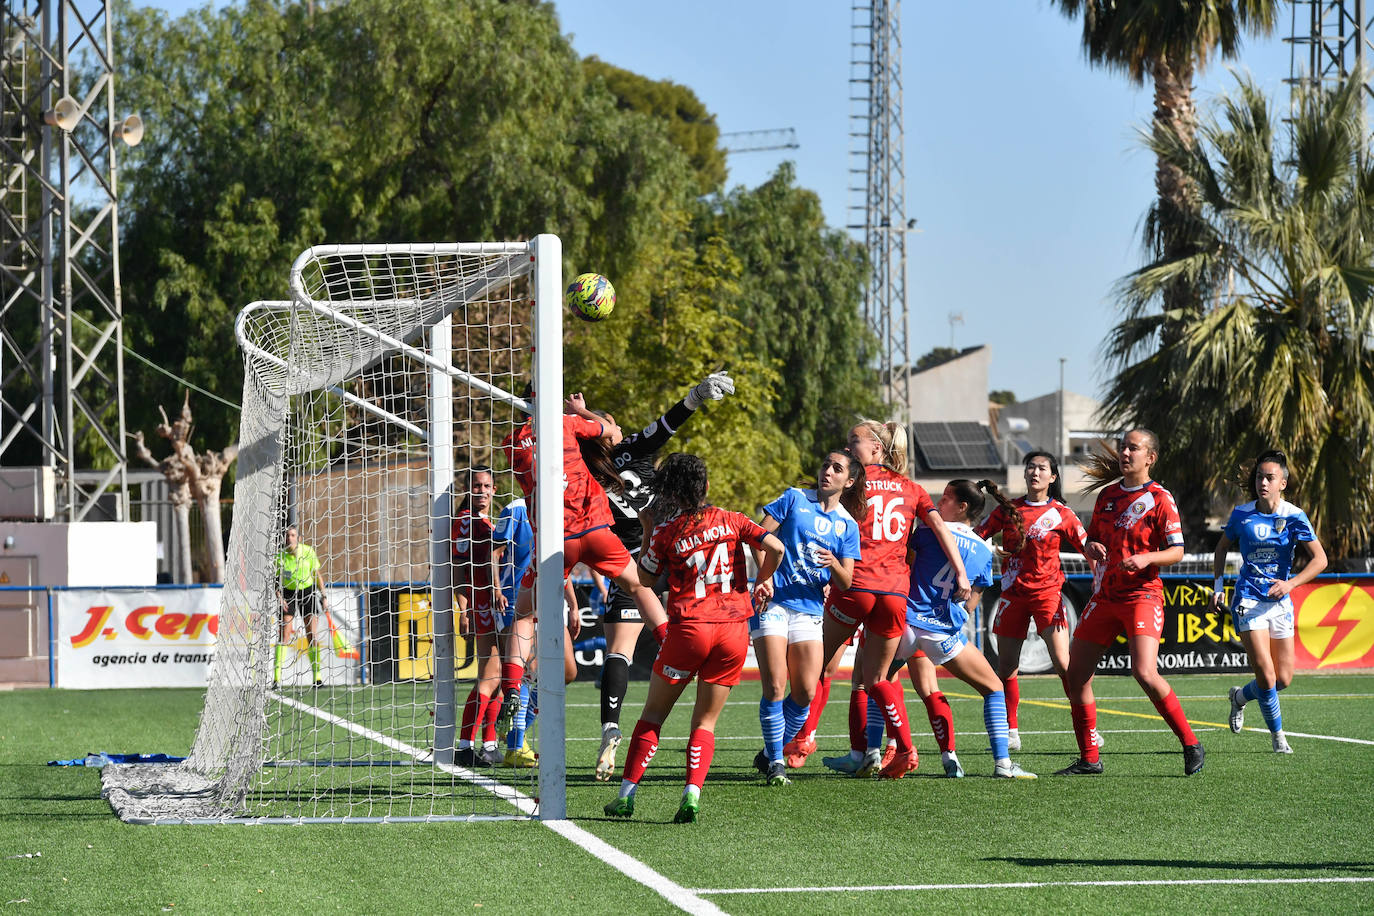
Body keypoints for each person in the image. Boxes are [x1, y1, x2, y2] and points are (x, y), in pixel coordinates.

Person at [603, 453, 784, 823]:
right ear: (704, 486)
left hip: (690, 629)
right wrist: (762, 580)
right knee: (705, 722)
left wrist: (649, 528)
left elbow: (646, 580)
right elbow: (776, 548)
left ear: (670, 490)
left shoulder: (668, 530)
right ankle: (692, 795)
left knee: (653, 715)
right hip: (733, 631)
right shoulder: (733, 520)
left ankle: (625, 796)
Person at [573, 371, 736, 781]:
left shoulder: (581, 471)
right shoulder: (630, 449)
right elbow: (669, 420)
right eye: (612, 423)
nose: (621, 427)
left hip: (632, 560)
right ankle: (694, 683)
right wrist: (697, 394)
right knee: (693, 627)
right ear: (602, 431)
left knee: (619, 652)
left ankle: (611, 725)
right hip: (680, 551)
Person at [495, 388, 667, 734]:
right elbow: (613, 433)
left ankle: (512, 687)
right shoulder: (567, 423)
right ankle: (670, 643)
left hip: (556, 542)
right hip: (596, 530)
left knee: (524, 615)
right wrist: (582, 412)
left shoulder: (510, 444)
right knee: (637, 585)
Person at [818, 419, 970, 780]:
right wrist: (961, 572)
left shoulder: (855, 482)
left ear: (876, 448)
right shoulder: (912, 489)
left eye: (853, 441)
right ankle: (900, 749)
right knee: (879, 679)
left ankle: (795, 744)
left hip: (856, 586)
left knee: (817, 666)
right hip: (900, 599)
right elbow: (938, 530)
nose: (847, 447)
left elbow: (834, 527)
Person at [1055, 429, 1203, 777]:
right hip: (1105, 596)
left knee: (1144, 672)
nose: (1125, 452)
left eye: (1133, 448)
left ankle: (1191, 743)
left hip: (1141, 595)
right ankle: (1090, 759)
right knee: (1075, 676)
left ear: (1150, 458)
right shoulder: (1107, 495)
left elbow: (1178, 551)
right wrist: (1090, 547)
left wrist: (1147, 558)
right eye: (1123, 446)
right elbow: (1094, 540)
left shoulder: (1160, 498)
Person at [887, 478, 1035, 778]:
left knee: (875, 682)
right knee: (993, 688)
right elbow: (975, 596)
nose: (938, 503)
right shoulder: (982, 549)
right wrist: (958, 611)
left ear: (962, 506)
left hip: (906, 623)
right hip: (940, 632)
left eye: (945, 498)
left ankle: (871, 755)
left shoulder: (928, 531)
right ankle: (1003, 765)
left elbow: (906, 563)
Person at [749, 450, 865, 786]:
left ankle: (770, 748)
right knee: (775, 685)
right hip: (774, 603)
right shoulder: (794, 498)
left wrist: (834, 564)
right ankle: (775, 761)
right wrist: (765, 576)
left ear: (850, 480)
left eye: (837, 468)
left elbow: (846, 581)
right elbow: (758, 537)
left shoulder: (847, 524)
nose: (827, 471)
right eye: (825, 464)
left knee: (805, 692)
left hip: (810, 609)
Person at [974, 453, 1095, 751]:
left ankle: (1086, 725)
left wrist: (1100, 577)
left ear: (1053, 477)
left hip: (1048, 596)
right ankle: (1011, 730)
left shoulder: (1062, 514)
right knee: (1006, 668)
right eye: (1031, 467)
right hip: (1012, 595)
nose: (1035, 472)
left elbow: (1088, 548)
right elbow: (978, 536)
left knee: (1064, 664)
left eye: (1042, 468)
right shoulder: (1008, 509)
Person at [1211, 449, 1327, 754]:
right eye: (1259, 476)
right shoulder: (1242, 514)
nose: (1262, 482)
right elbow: (1221, 548)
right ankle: (1279, 739)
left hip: (1280, 602)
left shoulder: (1293, 516)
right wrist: (1219, 585)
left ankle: (1239, 697)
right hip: (1247, 598)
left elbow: (1320, 560)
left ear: (1282, 483)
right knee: (1266, 674)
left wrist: (1290, 583)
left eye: (1269, 477)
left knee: (1283, 679)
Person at [452, 467, 507, 767]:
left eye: (487, 485)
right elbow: (458, 570)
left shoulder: (488, 521)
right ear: (468, 490)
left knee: (496, 676)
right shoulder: (464, 522)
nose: (482, 491)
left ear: (494, 489)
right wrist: (464, 609)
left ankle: (488, 743)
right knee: (491, 675)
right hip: (481, 605)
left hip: (494, 604)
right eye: (476, 485)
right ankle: (464, 745)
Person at [274, 525, 330, 688]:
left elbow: (317, 575)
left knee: (312, 633)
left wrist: (324, 596)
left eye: (292, 535)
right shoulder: (280, 557)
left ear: (298, 538)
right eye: (286, 536)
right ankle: (276, 678)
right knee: (285, 634)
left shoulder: (308, 552)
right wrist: (280, 597)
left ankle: (317, 678)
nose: (289, 538)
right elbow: (276, 581)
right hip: (288, 594)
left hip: (307, 592)